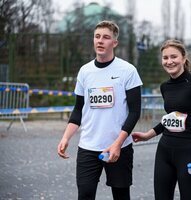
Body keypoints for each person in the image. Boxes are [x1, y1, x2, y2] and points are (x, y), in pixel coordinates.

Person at [57, 20, 143, 200]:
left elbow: (135, 112)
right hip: (88, 146)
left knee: (121, 196)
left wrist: (118, 143)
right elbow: (78, 109)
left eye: (106, 37)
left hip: (119, 146)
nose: (100, 41)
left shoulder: (128, 70)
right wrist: (66, 138)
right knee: (85, 194)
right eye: (97, 37)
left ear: (114, 43)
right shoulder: (84, 71)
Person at [132, 39, 191, 200]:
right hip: (164, 150)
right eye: (165, 58)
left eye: (174, 57)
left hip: (189, 152)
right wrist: (149, 134)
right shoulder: (165, 87)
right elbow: (171, 118)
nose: (169, 61)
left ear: (184, 58)